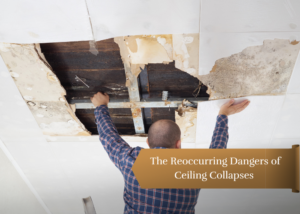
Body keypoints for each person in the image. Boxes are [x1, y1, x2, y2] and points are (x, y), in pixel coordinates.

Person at [91, 92, 250, 214]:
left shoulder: (132, 162)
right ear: (178, 144)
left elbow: (109, 138)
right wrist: (223, 114)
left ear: (148, 143)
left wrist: (100, 106)